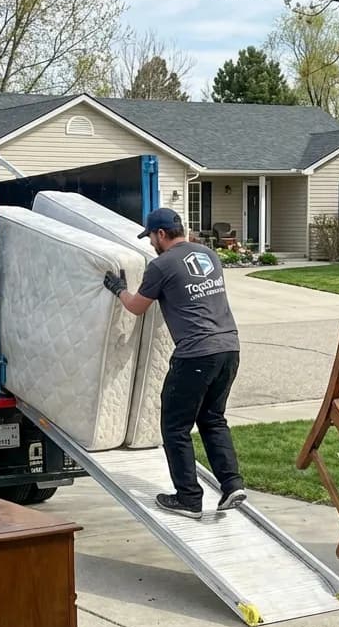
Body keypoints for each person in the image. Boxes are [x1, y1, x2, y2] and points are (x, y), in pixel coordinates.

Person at [102, 207, 247, 519]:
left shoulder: (161, 264)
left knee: (175, 426)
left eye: (151, 237)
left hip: (196, 354)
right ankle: (232, 483)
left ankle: (188, 498)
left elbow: (137, 308)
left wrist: (118, 289)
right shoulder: (208, 254)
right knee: (212, 418)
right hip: (229, 349)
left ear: (162, 234)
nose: (151, 242)